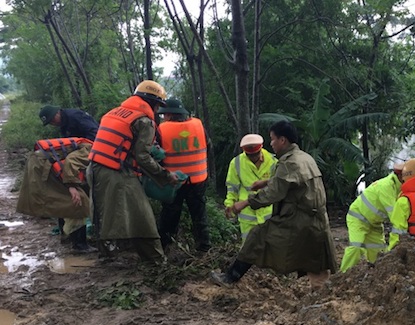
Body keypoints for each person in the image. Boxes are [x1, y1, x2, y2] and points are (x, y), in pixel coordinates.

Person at [210, 120, 337, 288]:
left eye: (272, 139)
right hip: (317, 221)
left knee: (257, 236)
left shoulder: (288, 162)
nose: (271, 143)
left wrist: (245, 202)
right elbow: (292, 180)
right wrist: (265, 182)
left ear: (282, 140)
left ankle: (230, 278)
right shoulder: (304, 157)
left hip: (300, 221)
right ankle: (321, 298)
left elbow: (273, 193)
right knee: (316, 263)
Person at [88, 80, 179, 263]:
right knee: (141, 214)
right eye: (157, 106)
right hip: (115, 173)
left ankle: (106, 254)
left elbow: (122, 143)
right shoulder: (144, 121)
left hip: (94, 168)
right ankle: (155, 259)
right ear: (153, 103)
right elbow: (142, 157)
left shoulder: (114, 113)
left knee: (102, 213)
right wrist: (166, 175)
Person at [16, 137, 97, 252]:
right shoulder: (91, 149)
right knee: (78, 201)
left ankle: (66, 237)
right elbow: (71, 161)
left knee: (62, 200)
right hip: (42, 164)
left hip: (39, 161)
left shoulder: (86, 144)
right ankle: (79, 245)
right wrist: (71, 186)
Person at [157, 98, 211, 252]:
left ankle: (165, 248)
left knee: (169, 216)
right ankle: (204, 249)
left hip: (174, 181)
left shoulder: (162, 129)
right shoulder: (198, 125)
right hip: (198, 179)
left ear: (168, 114)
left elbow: (157, 156)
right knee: (199, 216)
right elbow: (208, 146)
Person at [339, 163, 404, 272]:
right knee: (356, 247)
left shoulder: (399, 188)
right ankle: (342, 275)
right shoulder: (386, 187)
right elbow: (395, 216)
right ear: (401, 176)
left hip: (375, 223)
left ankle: (374, 274)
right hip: (358, 218)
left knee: (378, 254)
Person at [224, 133, 277, 242]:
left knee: (269, 247)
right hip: (247, 213)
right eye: (250, 155)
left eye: (256, 154)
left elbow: (278, 185)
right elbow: (232, 188)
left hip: (268, 211)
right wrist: (229, 204)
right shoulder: (236, 163)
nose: (253, 157)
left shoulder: (273, 161)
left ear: (261, 149)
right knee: (248, 248)